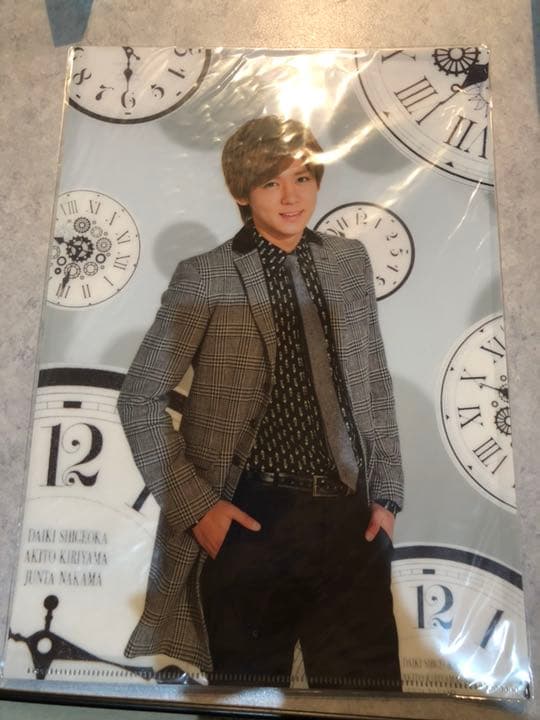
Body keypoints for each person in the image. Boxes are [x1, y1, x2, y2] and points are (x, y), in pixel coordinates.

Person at [117, 115, 404, 690]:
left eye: (302, 178)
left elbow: (372, 378)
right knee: (246, 698)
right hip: (251, 517)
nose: (291, 197)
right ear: (242, 192)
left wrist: (387, 497)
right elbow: (139, 398)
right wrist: (199, 509)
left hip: (350, 522)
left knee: (369, 700)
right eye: (271, 183)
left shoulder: (349, 262)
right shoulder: (206, 276)